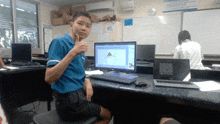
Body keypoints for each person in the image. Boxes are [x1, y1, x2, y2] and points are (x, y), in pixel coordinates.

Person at [45, 11, 111, 124]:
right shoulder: (59, 42)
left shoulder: (80, 48)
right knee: (107, 115)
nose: (84, 28)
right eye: (80, 23)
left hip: (78, 98)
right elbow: (49, 78)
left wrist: (86, 80)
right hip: (68, 103)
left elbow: (73, 72)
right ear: (71, 25)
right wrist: (72, 53)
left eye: (88, 26)